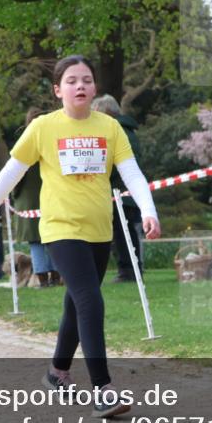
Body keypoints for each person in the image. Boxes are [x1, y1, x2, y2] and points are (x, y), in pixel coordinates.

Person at [0, 55, 161, 418]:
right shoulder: (43, 128)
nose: (80, 86)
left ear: (95, 88)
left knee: (77, 303)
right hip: (60, 229)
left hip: (99, 230)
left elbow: (131, 173)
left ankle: (57, 372)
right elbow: (9, 175)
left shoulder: (110, 127)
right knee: (90, 300)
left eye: (86, 80)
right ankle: (103, 389)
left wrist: (149, 211)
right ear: (58, 90)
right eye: (71, 80)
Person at [91, 94, 144, 282]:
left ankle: (128, 270)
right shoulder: (128, 131)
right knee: (125, 232)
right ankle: (129, 269)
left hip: (119, 191)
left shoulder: (118, 132)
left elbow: (116, 165)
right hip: (123, 191)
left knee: (123, 234)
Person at [11, 107, 60, 288]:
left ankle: (43, 281)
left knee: (36, 243)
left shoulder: (24, 143)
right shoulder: (53, 141)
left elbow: (16, 177)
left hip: (29, 201)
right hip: (51, 196)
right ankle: (56, 277)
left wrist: (14, 195)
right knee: (52, 241)